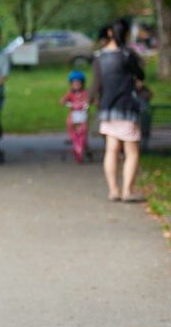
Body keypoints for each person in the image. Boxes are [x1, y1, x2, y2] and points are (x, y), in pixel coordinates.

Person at [92, 18, 146, 202]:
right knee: (131, 151)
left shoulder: (99, 56)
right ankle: (127, 191)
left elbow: (97, 84)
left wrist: (91, 100)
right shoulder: (126, 54)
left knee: (111, 150)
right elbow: (140, 75)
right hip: (126, 107)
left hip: (107, 108)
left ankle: (113, 190)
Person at [61, 70, 90, 163]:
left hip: (82, 115)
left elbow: (91, 99)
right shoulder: (70, 93)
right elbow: (62, 101)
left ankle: (83, 143)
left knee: (84, 129)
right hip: (73, 116)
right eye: (74, 83)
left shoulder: (85, 93)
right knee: (69, 123)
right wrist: (65, 102)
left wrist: (89, 102)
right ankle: (73, 138)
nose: (76, 85)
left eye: (78, 83)